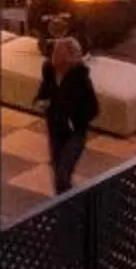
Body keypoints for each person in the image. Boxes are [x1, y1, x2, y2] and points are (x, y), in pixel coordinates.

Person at [39, 36, 101, 194]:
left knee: (63, 174)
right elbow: (44, 92)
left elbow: (93, 109)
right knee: (57, 171)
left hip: (75, 133)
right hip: (55, 129)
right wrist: (43, 102)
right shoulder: (49, 70)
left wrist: (73, 116)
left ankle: (72, 206)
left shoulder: (81, 79)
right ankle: (64, 205)